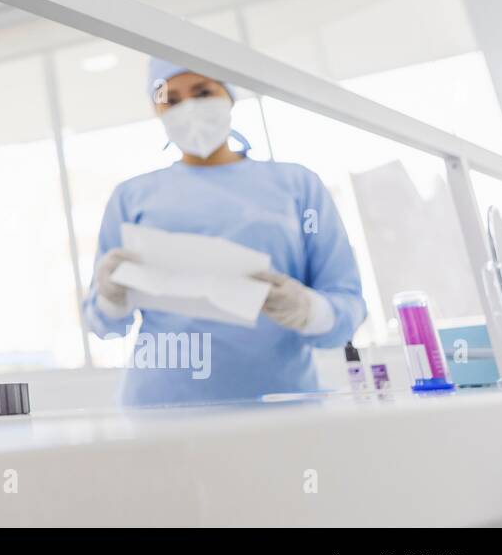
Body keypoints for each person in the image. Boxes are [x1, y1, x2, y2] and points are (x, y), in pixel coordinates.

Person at [83, 57, 366, 406]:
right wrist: (111, 301)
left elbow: (348, 305)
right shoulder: (131, 196)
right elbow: (104, 326)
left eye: (203, 92)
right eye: (170, 100)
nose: (188, 108)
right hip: (161, 408)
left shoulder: (297, 185)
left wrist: (310, 309)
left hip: (283, 402)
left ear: (228, 95)